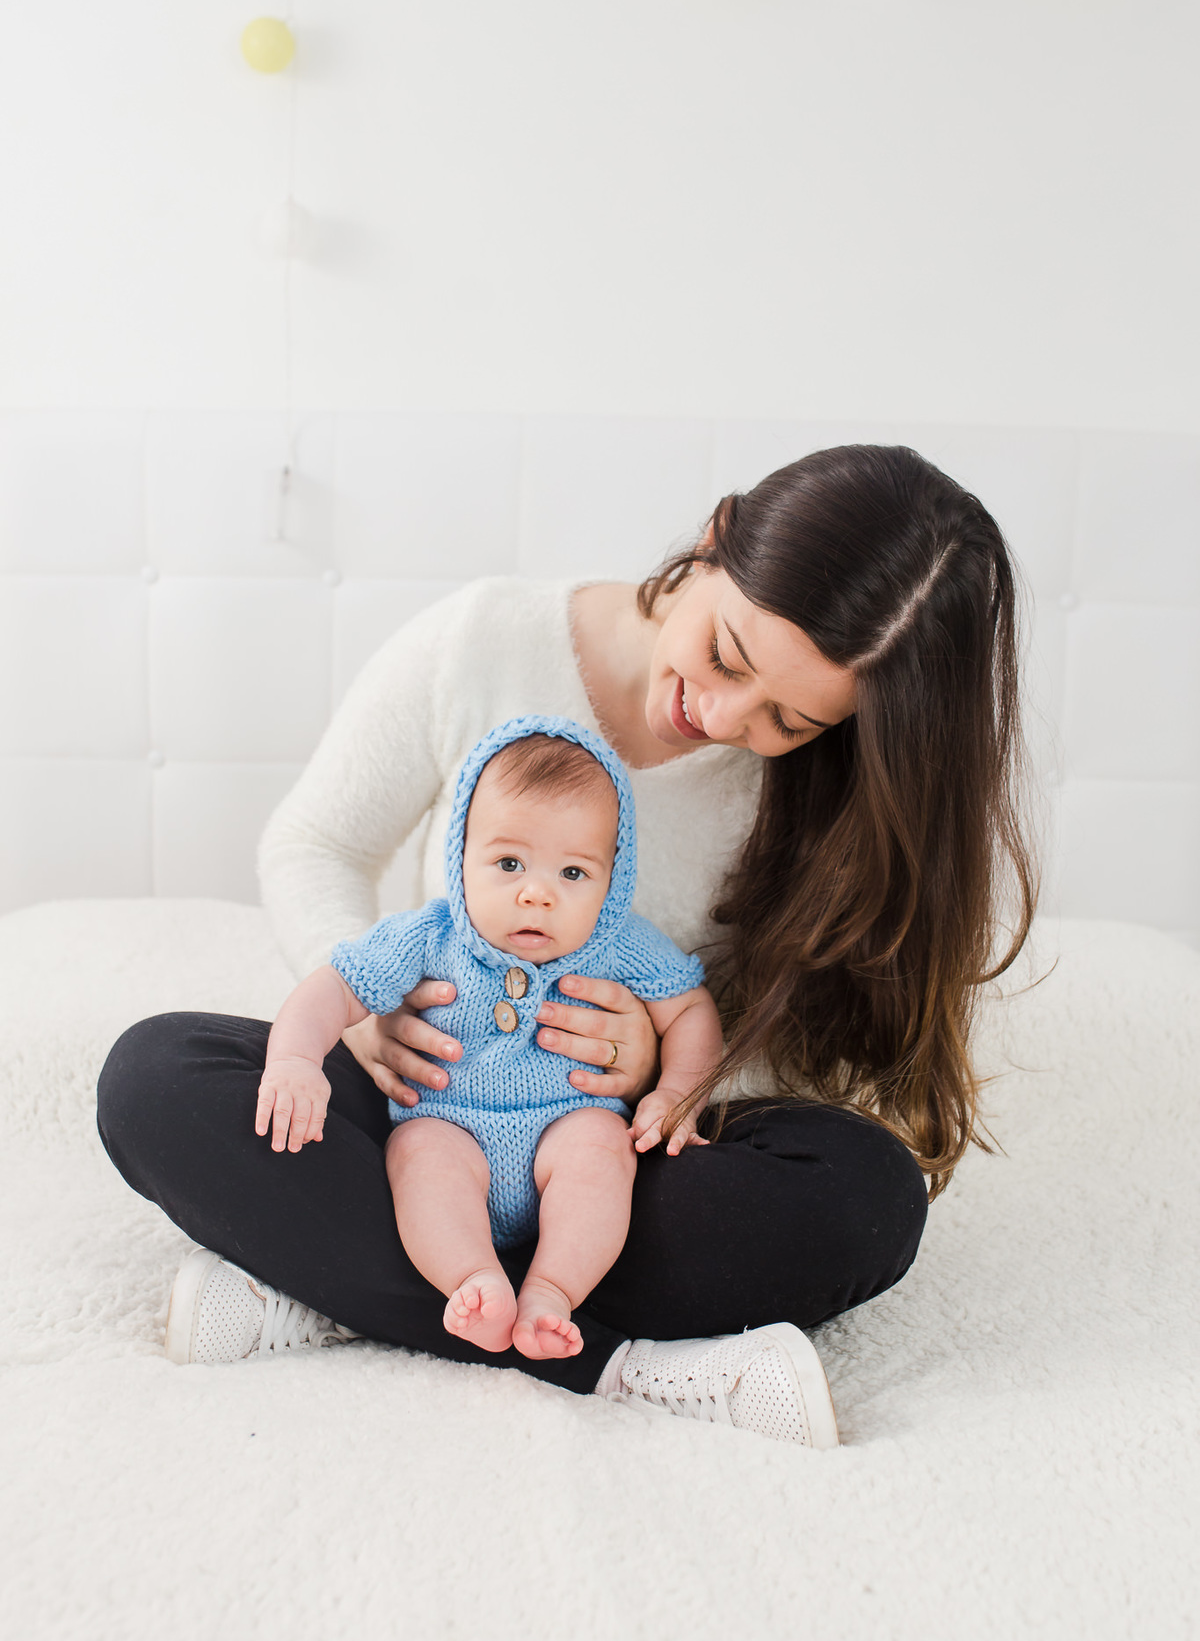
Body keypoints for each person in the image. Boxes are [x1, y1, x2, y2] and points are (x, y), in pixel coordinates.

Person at [97, 443, 1035, 1451]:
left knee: (866, 1196)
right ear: (716, 543)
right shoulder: (484, 640)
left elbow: (804, 1044)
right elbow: (314, 843)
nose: (718, 717)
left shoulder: (835, 793)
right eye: (726, 656)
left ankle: (349, 1296)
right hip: (427, 1111)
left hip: (620, 1159)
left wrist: (662, 1075)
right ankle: (622, 1361)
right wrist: (367, 1023)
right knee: (156, 1079)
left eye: (787, 720)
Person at [254, 715, 722, 1362]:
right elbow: (333, 987)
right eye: (509, 863)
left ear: (613, 879)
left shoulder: (618, 944)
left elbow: (691, 1009)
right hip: (452, 1129)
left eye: (574, 874)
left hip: (567, 1127)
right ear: (460, 857)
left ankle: (552, 1290)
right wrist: (296, 1059)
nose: (537, 894)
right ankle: (473, 1281)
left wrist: (677, 1089)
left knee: (602, 1153)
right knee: (418, 1154)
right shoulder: (428, 936)